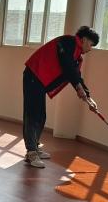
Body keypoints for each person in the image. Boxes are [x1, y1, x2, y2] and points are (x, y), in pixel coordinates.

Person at [22, 25, 100, 168]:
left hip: (40, 80)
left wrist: (89, 97)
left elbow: (75, 75)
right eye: (91, 44)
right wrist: (78, 88)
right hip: (34, 75)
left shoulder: (76, 55)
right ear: (83, 39)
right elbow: (67, 66)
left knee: (41, 115)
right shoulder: (68, 42)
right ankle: (31, 152)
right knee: (33, 114)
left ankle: (34, 148)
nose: (90, 49)